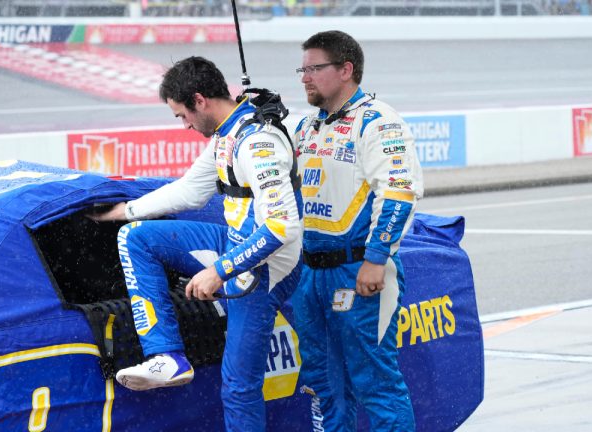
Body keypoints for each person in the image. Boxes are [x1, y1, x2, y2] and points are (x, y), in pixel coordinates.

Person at [91, 56, 303, 432]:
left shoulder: (258, 143)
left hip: (265, 267)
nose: (184, 124)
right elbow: (190, 191)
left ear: (200, 100)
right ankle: (167, 357)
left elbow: (282, 227)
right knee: (136, 236)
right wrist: (123, 212)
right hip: (234, 243)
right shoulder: (228, 133)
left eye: (181, 115)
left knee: (239, 387)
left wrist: (219, 271)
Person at [291, 30, 423, 431]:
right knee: (325, 387)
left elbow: (399, 192)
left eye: (314, 68)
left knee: (376, 385)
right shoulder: (305, 127)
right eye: (303, 69)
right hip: (311, 275)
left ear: (346, 70)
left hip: (359, 271)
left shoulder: (379, 120)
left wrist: (376, 259)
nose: (304, 78)